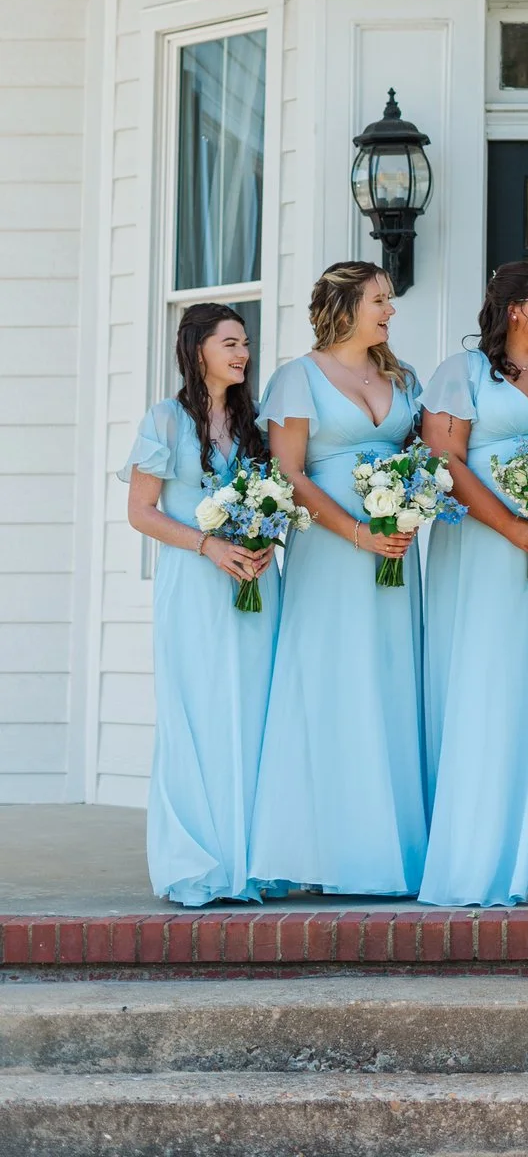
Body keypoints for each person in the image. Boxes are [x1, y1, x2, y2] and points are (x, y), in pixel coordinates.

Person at [418, 263, 528, 906]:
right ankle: (480, 854)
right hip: (485, 551)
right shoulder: (461, 374)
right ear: (514, 309)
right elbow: (445, 462)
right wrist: (513, 529)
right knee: (490, 684)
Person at [247, 262, 427, 897]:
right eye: (381, 299)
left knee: (390, 680)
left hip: (395, 547)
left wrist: (409, 505)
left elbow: (419, 455)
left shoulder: (401, 378)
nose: (390, 310)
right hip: (331, 550)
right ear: (346, 306)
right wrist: (357, 532)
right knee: (333, 682)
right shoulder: (297, 378)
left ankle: (392, 849)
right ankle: (329, 853)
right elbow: (290, 473)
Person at [121, 303, 278, 906]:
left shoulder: (255, 420)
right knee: (200, 710)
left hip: (257, 580)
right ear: (198, 349)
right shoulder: (164, 420)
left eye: (245, 344)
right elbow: (141, 512)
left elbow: (276, 494)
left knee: (255, 709)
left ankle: (254, 859)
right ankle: (197, 859)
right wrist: (208, 545)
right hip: (194, 582)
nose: (242, 354)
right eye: (230, 343)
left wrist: (267, 537)